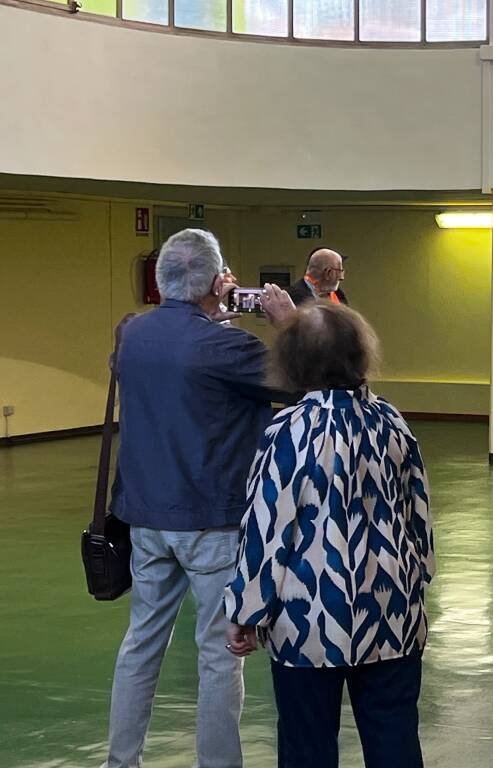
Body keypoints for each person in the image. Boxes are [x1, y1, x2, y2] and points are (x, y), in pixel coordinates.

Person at [103, 229, 295, 768]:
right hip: (212, 521)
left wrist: (208, 315)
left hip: (145, 517)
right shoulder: (230, 346)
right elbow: (307, 384)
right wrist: (287, 324)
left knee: (141, 644)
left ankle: (121, 761)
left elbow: (173, 368)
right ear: (218, 283)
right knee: (218, 655)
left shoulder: (133, 336)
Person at [224, 302, 435, 768]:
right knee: (394, 732)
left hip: (308, 622)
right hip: (391, 612)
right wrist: (418, 580)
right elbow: (419, 515)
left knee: (306, 743)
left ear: (294, 361)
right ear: (361, 357)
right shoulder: (392, 422)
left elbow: (266, 527)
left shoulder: (287, 430)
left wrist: (245, 609)